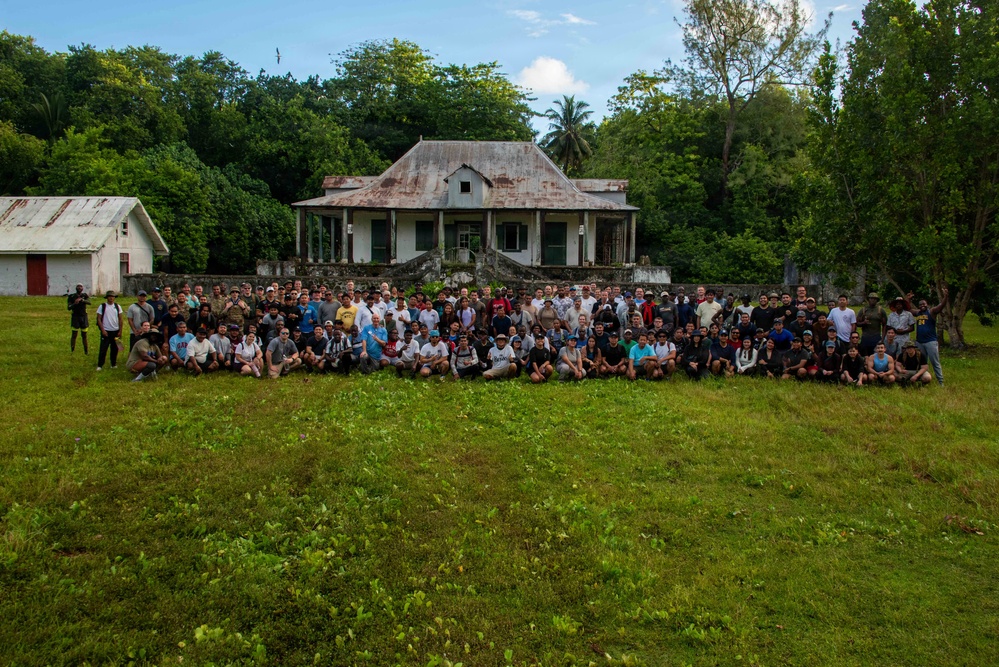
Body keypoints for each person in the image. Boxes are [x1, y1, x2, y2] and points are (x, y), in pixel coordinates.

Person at [907, 288, 947, 386]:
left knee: (935, 362)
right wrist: (909, 300)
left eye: (924, 304)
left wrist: (946, 296)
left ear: (927, 304)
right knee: (921, 362)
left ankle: (941, 382)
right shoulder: (918, 313)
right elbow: (908, 309)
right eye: (920, 305)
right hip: (920, 342)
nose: (922, 306)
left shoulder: (931, 312)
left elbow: (941, 306)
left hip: (930, 341)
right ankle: (922, 380)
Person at [96, 290, 123, 371]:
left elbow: (120, 319)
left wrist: (120, 331)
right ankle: (100, 365)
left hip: (115, 330)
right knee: (103, 349)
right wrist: (103, 330)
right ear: (107, 298)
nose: (111, 298)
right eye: (109, 296)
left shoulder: (117, 306)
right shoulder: (102, 306)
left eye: (112, 296)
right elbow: (99, 319)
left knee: (115, 348)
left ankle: (113, 364)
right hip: (106, 331)